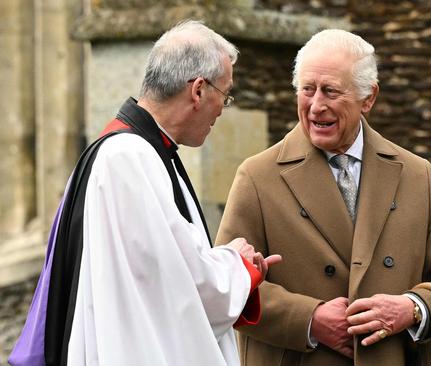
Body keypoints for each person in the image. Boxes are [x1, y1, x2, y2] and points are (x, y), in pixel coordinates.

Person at [9, 20, 281, 366]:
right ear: (198, 90)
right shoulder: (129, 158)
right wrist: (238, 266)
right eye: (224, 96)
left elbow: (159, 269)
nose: (221, 110)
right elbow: (181, 289)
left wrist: (226, 263)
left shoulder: (137, 152)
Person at [215, 29, 431, 366]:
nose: (316, 105)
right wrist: (310, 319)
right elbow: (225, 285)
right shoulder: (257, 176)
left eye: (330, 91)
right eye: (307, 90)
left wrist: (413, 307)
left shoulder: (417, 175)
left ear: (368, 98)